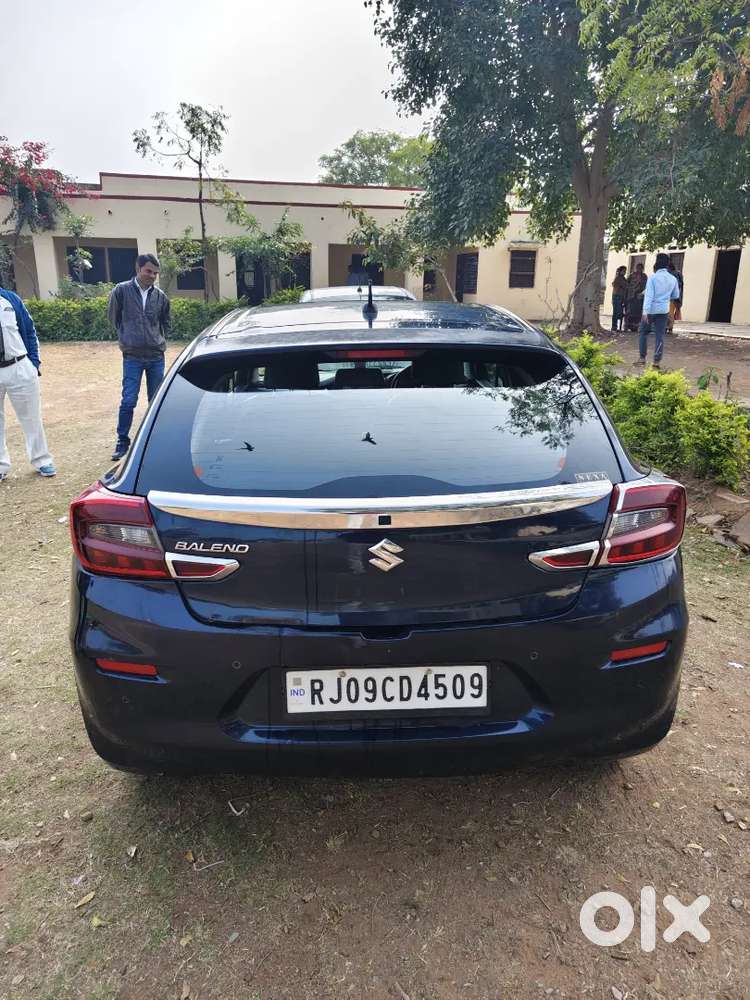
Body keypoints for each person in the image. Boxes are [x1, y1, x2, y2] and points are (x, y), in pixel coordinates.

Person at [108, 253, 171, 460]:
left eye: (155, 273)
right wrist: (127, 337)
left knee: (156, 401)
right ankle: (122, 442)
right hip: (132, 357)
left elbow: (166, 322)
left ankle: (155, 441)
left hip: (156, 357)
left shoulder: (160, 297)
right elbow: (114, 318)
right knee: (128, 400)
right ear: (138, 269)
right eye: (148, 271)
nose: (152, 276)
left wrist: (157, 339)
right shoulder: (121, 291)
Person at [0, 286, 56, 482]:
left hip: (19, 366)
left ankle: (41, 460)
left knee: (31, 417)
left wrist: (33, 363)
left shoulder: (10, 299)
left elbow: (30, 330)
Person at [635, 253, 680, 369]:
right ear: (667, 264)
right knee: (660, 335)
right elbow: (675, 295)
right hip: (664, 310)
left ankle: (642, 358)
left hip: (651, 310)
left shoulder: (653, 278)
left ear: (656, 263)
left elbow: (649, 296)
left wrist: (645, 312)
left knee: (643, 332)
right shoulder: (673, 279)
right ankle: (656, 362)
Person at [625, 261, 647, 332]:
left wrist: (641, 293)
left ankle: (636, 326)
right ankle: (628, 325)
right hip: (632, 296)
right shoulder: (631, 275)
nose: (639, 269)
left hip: (640, 297)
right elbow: (627, 284)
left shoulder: (644, 276)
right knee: (630, 311)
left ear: (642, 269)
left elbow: (646, 286)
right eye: (638, 268)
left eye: (640, 268)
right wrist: (632, 289)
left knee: (638, 312)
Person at [667, 261, 684, 333]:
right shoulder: (678, 273)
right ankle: (670, 327)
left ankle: (669, 327)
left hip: (671, 296)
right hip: (676, 296)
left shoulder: (672, 274)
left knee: (669, 312)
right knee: (671, 312)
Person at [611, 265, 628, 332]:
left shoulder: (623, 278)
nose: (625, 272)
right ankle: (614, 327)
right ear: (620, 271)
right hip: (617, 296)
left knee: (619, 312)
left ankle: (617, 327)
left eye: (625, 271)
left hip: (621, 297)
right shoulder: (618, 278)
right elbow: (618, 286)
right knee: (616, 312)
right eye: (623, 271)